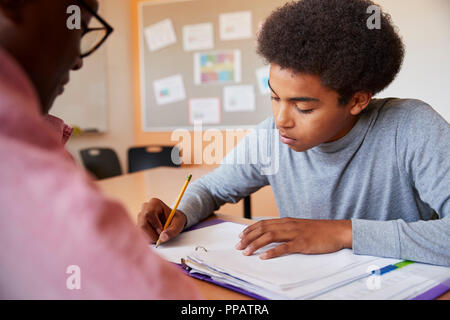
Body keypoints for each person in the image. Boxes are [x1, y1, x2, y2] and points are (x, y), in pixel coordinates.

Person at [139, 0, 450, 266]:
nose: (280, 119)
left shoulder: (412, 127)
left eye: (303, 107)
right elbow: (211, 189)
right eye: (274, 97)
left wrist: (340, 232)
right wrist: (179, 213)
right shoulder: (271, 139)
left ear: (357, 100)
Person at [0, 0, 201, 299]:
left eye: (300, 104)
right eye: (79, 22)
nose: (79, 60)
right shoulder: (24, 167)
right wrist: (183, 212)